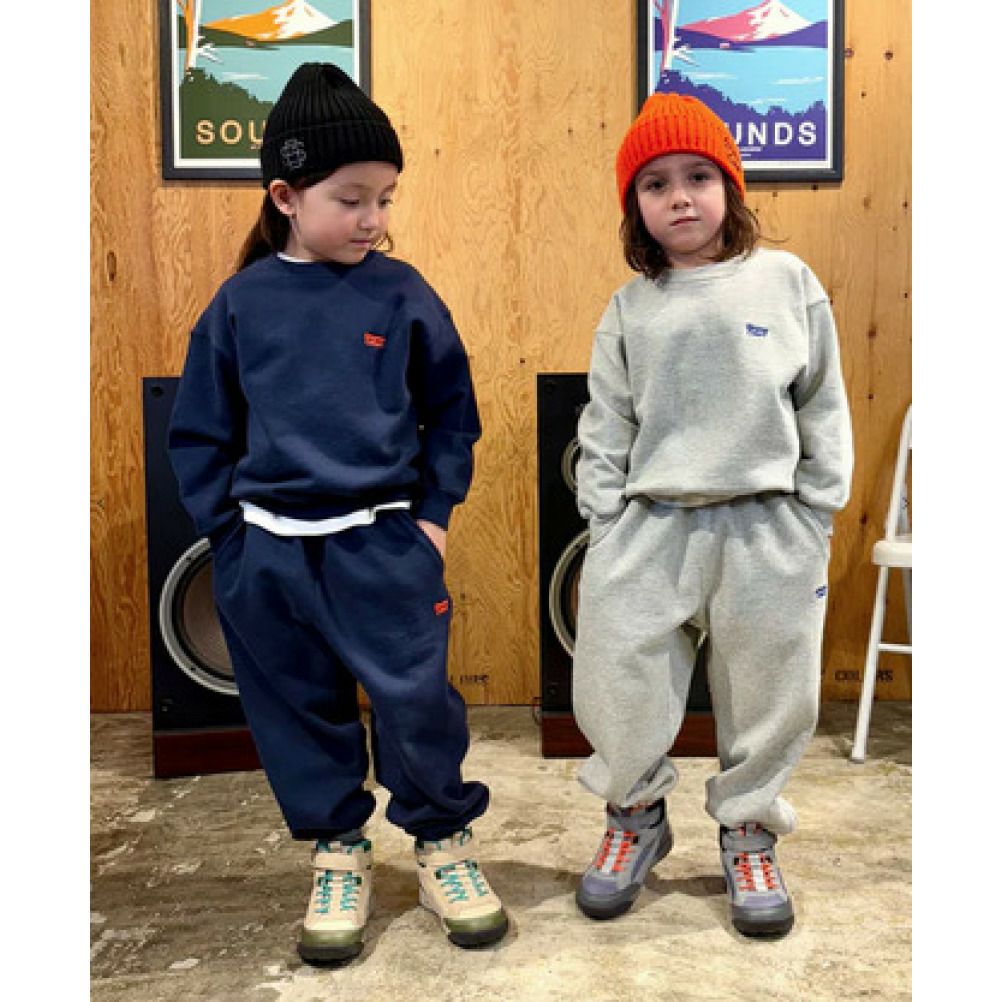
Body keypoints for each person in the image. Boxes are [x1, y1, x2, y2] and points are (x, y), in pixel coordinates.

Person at [167, 63, 508, 965]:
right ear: (285, 196)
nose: (373, 220)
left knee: (416, 703)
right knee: (298, 710)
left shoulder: (403, 294)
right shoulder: (239, 305)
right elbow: (199, 431)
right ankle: (338, 851)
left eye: (386, 199)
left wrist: (432, 519)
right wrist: (230, 538)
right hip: (268, 557)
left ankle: (442, 841)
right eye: (351, 199)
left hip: (385, 548)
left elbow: (453, 415)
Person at [571, 93, 853, 937]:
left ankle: (750, 829)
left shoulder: (788, 282)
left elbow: (822, 403)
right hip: (650, 526)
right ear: (636, 206)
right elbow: (606, 422)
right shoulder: (631, 307)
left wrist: (816, 511)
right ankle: (634, 817)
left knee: (771, 691)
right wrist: (605, 523)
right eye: (655, 184)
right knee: (617, 679)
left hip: (768, 527)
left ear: (731, 185)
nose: (681, 197)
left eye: (698, 176)